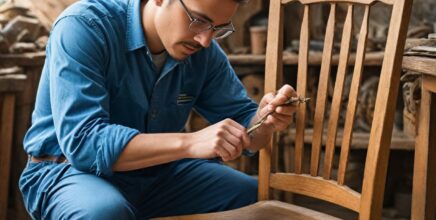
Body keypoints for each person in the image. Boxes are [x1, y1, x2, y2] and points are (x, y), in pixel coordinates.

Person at [19, 0, 298, 219]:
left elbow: (247, 128)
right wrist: (190, 142)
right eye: (199, 21)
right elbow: (84, 144)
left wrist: (263, 120)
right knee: (104, 212)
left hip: (157, 175)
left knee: (253, 196)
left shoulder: (205, 54)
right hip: (67, 172)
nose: (204, 40)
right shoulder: (83, 26)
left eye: (218, 29)